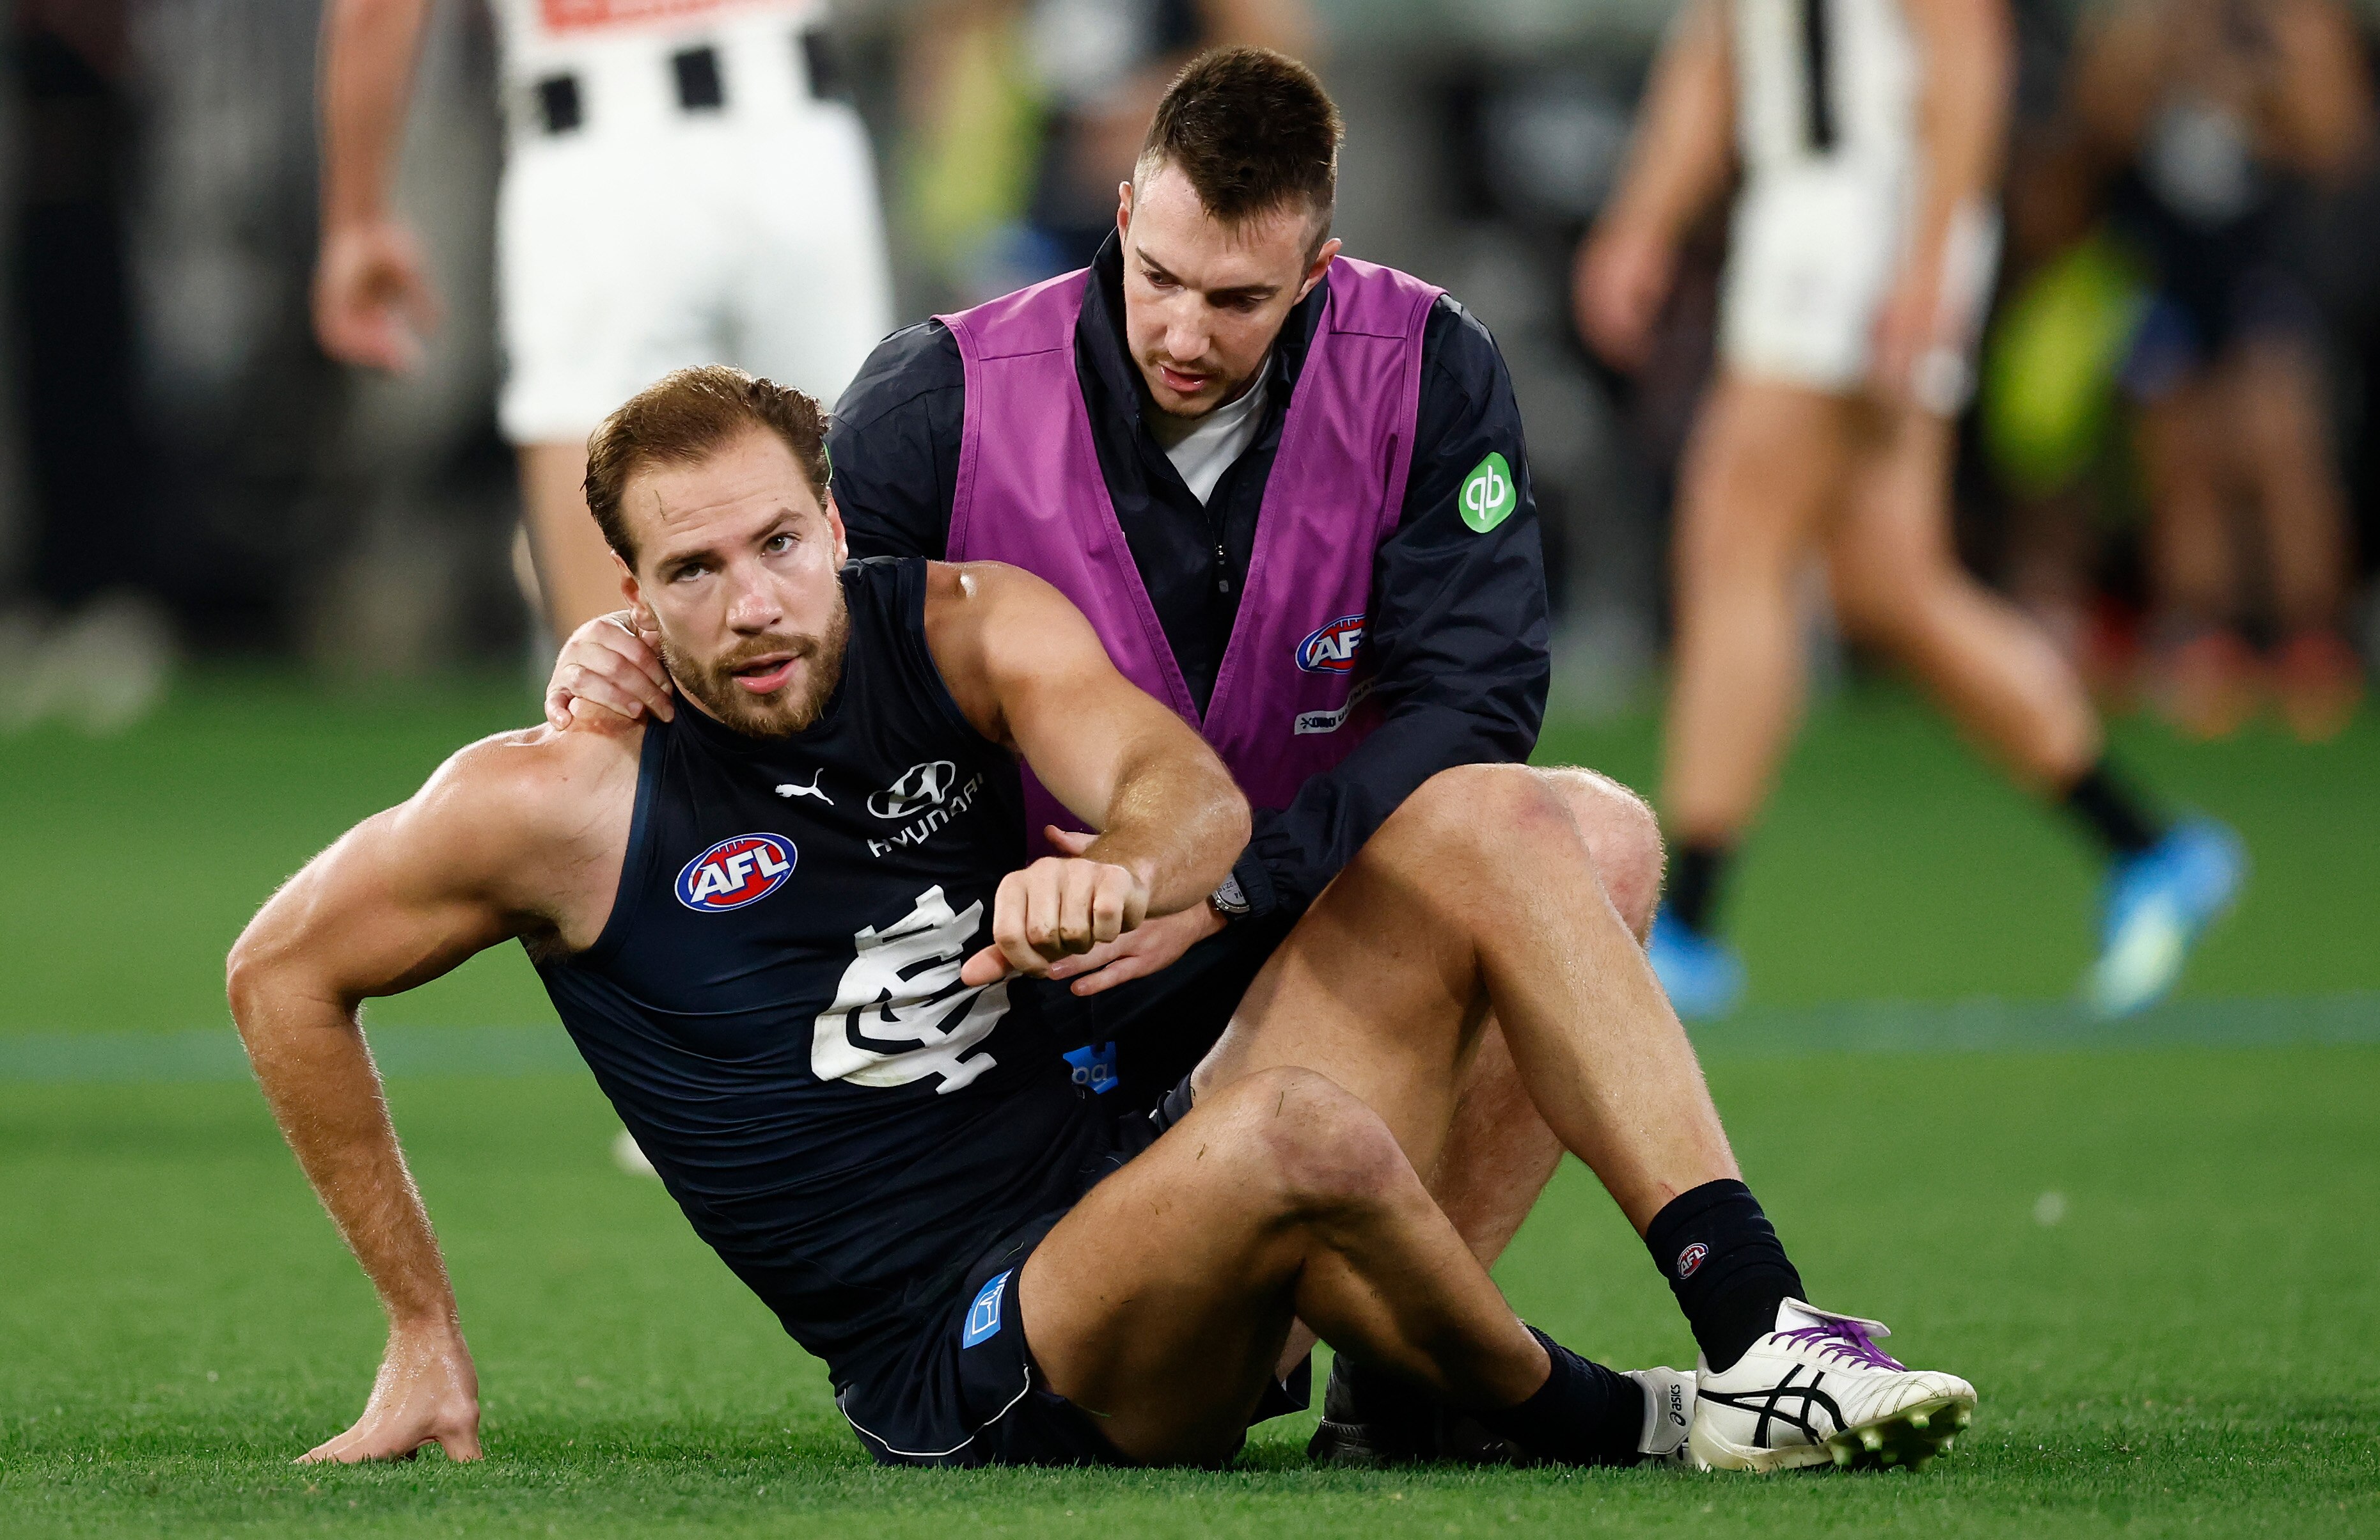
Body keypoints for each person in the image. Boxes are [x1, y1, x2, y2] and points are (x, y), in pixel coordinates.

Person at [227, 365, 1976, 1472]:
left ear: (837, 520)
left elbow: (1190, 797)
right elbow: (280, 973)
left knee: (1564, 828)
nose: (752, 604)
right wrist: (419, 1325)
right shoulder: (550, 803)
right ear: (629, 597)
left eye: (776, 544)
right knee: (1296, 1133)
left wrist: (1120, 869)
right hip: (986, 1344)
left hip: (1137, 1152)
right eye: (691, 574)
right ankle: (1646, 1427)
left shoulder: (959, 624)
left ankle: (1699, 1336)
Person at [542, 47, 1671, 1461]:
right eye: (1163, 280)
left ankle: (1422, 1382)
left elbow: (1478, 697)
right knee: (1289, 1124)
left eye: (1237, 298)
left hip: (1263, 916)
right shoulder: (939, 396)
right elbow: (806, 652)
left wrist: (1242, 883)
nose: (1188, 329)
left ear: (1312, 274)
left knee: (1593, 837)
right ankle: (1614, 1409)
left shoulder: (1422, 361)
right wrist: (634, 650)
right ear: (1122, 214)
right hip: (1046, 987)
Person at [1575, 0, 2243, 1019]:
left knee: (1734, 545)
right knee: (1889, 582)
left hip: (1857, 221)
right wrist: (1642, 222)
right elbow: (1717, 55)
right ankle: (2147, 845)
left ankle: (1690, 924)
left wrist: (1927, 259)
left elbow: (1965, 50)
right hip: (1820, 219)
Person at [310, 0, 892, 636]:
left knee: (613, 670)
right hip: (800, 139)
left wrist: (357, 219)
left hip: (601, 157)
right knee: (857, 588)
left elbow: (374, 12)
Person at [2065, 0, 2370, 741]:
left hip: (2262, 269)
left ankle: (2306, 635)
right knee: (2177, 461)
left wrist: (2262, 78)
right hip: (2162, 272)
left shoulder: (2297, 19)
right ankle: (2201, 631)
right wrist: (2168, 54)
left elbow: (2335, 139)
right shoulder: (2141, 23)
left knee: (2279, 448)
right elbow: (2095, 131)